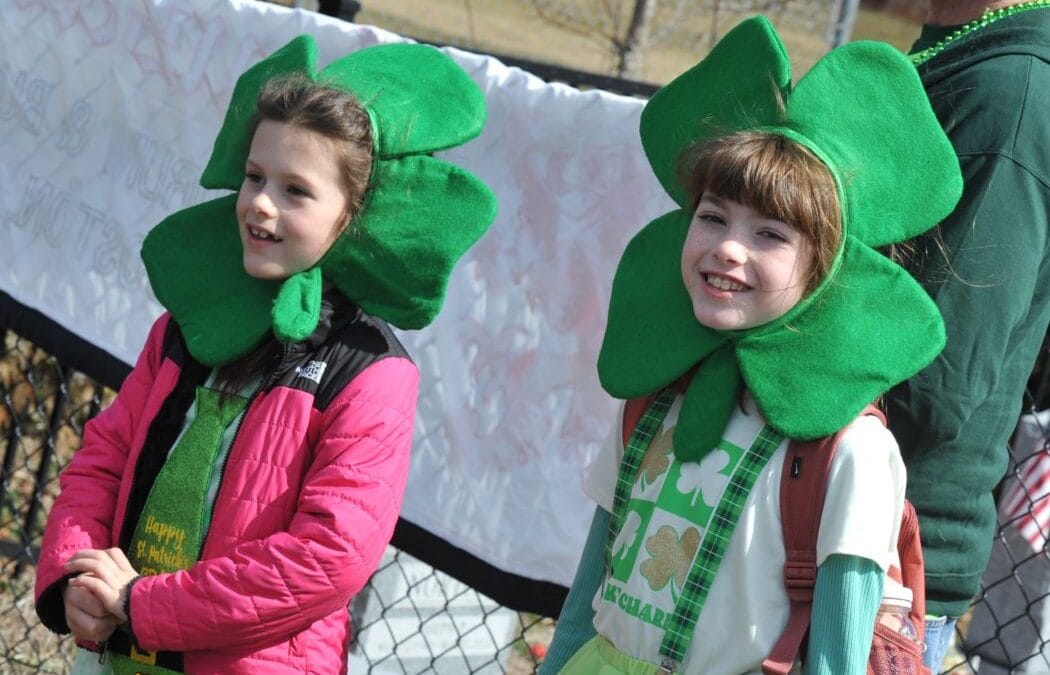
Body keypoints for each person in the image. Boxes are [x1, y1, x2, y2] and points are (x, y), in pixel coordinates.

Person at [33, 36, 496, 674]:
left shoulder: (370, 372)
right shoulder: (183, 328)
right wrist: (73, 575)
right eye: (255, 175)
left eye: (296, 190)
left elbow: (326, 556)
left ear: (353, 215)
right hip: (118, 653)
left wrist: (147, 605)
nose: (259, 202)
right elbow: (102, 460)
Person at [540, 15, 962, 675]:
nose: (727, 248)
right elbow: (590, 587)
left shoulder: (850, 449)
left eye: (771, 234)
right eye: (712, 216)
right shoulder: (651, 399)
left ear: (826, 268)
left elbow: (839, 654)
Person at [884, 1, 1050, 669]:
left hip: (876, 555)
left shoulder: (1008, 93)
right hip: (827, 518)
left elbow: (935, 384)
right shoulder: (962, 54)